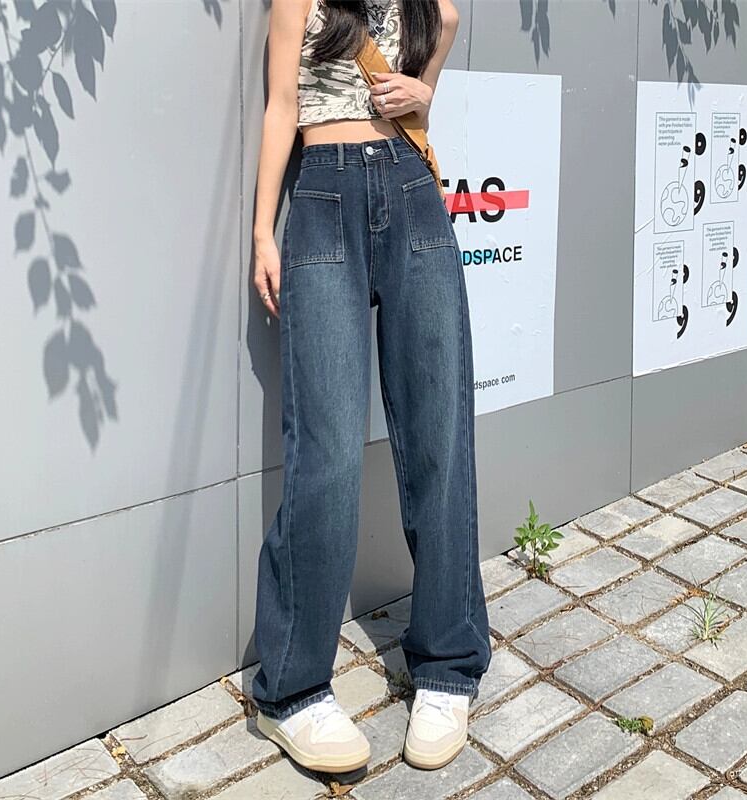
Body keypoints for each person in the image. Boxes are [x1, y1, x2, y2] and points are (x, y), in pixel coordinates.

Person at [250, 0, 492, 775]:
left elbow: (439, 45)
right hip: (322, 196)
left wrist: (425, 91)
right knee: (326, 454)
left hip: (413, 194)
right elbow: (281, 105)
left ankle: (449, 665)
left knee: (438, 438)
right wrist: (263, 230)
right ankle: (291, 690)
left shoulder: (427, 8)